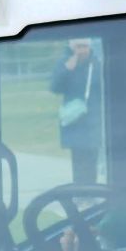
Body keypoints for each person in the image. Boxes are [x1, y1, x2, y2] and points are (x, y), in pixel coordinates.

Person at [49, 39, 102, 184]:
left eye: (84, 46)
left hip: (93, 121)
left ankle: (91, 190)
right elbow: (54, 88)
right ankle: (80, 191)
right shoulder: (64, 63)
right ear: (72, 48)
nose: (81, 51)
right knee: (78, 161)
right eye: (78, 47)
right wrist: (67, 70)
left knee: (92, 161)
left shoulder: (96, 64)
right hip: (75, 121)